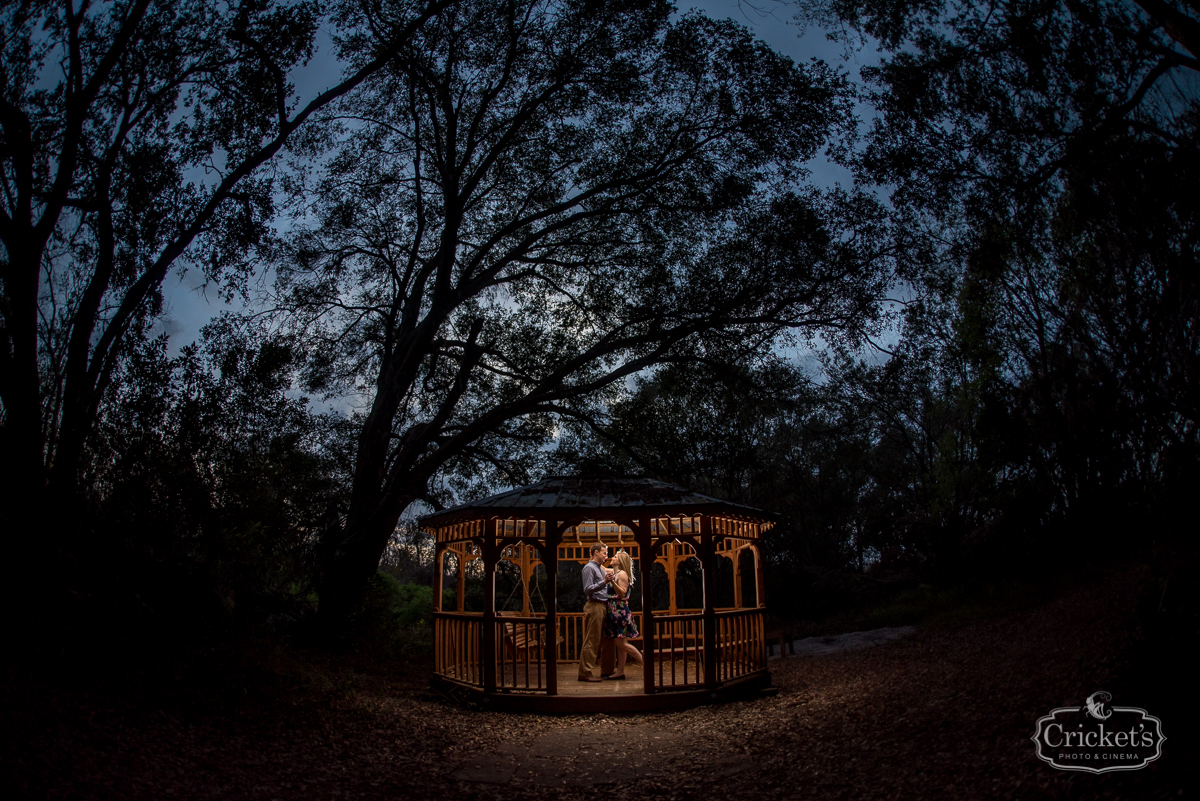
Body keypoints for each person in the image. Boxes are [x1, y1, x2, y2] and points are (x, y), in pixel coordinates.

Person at [603, 550, 642, 679]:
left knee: (621, 643)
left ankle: (645, 664)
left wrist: (612, 582)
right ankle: (620, 672)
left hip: (619, 611)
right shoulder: (614, 572)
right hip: (613, 611)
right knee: (621, 643)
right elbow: (602, 568)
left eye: (615, 557)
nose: (612, 558)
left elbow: (623, 593)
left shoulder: (622, 574)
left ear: (620, 561)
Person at [578, 542, 612, 682]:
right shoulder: (589, 568)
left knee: (607, 640)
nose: (606, 556)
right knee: (592, 640)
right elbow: (587, 589)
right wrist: (603, 582)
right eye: (604, 553)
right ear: (596, 552)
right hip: (595, 606)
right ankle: (585, 673)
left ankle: (608, 671)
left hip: (605, 605)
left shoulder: (600, 569)